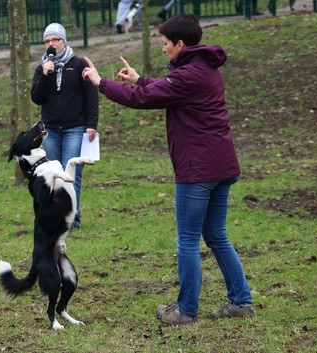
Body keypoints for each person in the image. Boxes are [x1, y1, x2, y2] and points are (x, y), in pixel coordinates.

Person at [82, 14, 254, 325]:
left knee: (188, 239)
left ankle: (186, 310)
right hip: (220, 164)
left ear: (180, 44)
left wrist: (100, 83)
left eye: (164, 44)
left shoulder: (190, 75)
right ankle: (240, 301)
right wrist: (138, 79)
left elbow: (147, 98)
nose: (162, 50)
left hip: (198, 169)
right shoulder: (203, 69)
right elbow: (164, 89)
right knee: (216, 235)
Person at [31, 23, 99, 229]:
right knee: (53, 173)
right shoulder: (42, 68)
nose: (51, 44)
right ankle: (55, 216)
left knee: (72, 174)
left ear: (64, 41)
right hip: (50, 129)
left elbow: (91, 96)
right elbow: (37, 98)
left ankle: (72, 217)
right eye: (47, 41)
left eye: (55, 40)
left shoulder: (78, 64)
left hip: (75, 128)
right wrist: (44, 75)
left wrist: (91, 124)